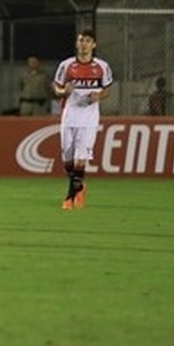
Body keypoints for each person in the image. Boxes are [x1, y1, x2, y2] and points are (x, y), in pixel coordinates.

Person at [53, 29, 113, 211]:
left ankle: (70, 197)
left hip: (88, 119)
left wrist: (99, 96)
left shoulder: (101, 67)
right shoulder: (67, 65)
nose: (84, 44)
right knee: (68, 161)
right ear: (77, 44)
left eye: (88, 41)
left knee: (81, 159)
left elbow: (107, 89)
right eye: (81, 41)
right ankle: (80, 185)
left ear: (93, 44)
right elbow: (57, 88)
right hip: (69, 116)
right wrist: (65, 92)